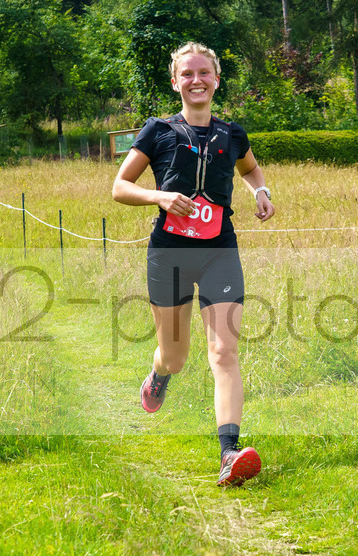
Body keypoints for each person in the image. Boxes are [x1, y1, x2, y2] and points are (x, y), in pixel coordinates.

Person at [112, 42, 275, 487]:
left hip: (220, 249)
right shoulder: (158, 131)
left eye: (205, 73)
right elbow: (120, 186)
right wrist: (160, 195)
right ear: (175, 82)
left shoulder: (232, 134)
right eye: (188, 74)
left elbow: (250, 169)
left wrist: (260, 192)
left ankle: (229, 453)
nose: (197, 80)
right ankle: (159, 374)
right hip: (170, 254)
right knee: (177, 356)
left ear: (216, 80)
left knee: (224, 352)